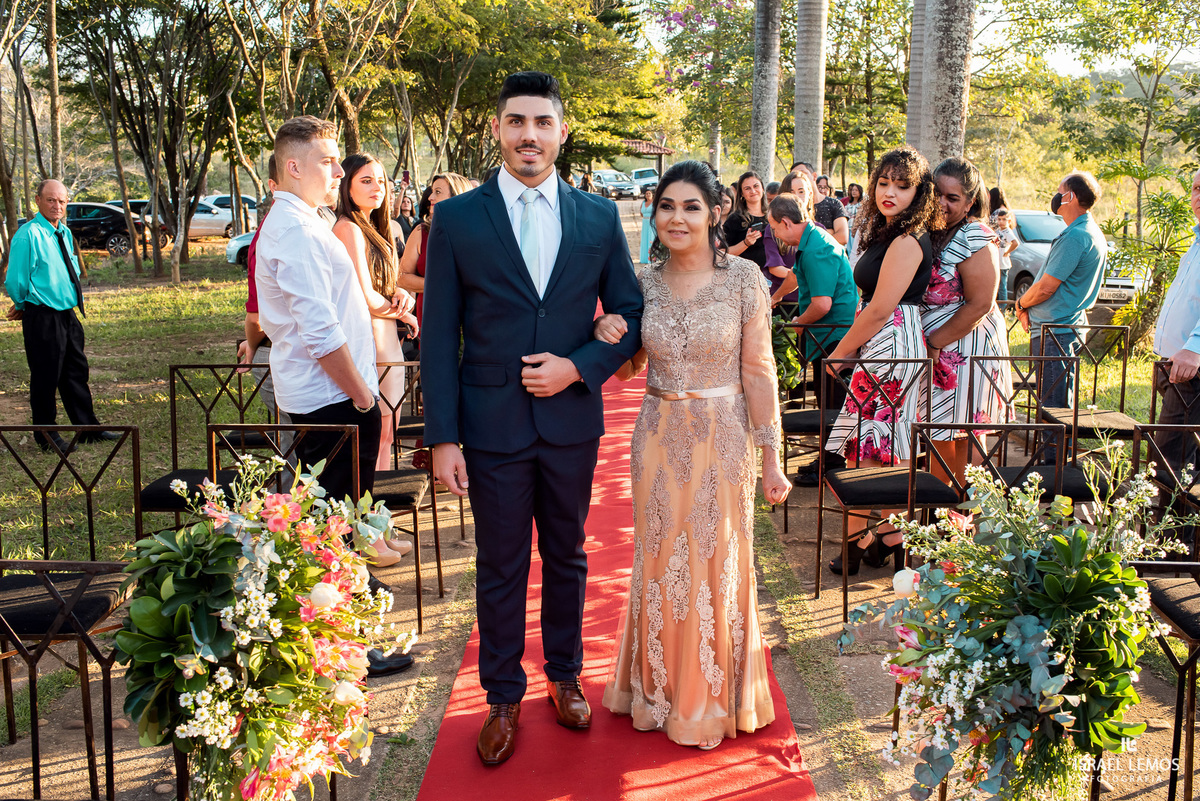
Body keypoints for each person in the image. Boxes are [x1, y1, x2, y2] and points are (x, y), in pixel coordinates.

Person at [421, 71, 643, 767]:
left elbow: (632, 314)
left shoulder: (598, 218)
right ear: (497, 130)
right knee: (501, 562)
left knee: (570, 554)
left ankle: (566, 675)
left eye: (542, 122)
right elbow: (438, 334)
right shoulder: (455, 219)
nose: (529, 135)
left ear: (561, 132)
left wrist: (579, 366)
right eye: (516, 122)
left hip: (572, 421)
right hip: (490, 426)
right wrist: (443, 437)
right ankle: (501, 694)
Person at [594, 159, 789, 751]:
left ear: (716, 213)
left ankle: (709, 696)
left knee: (716, 561)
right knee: (658, 558)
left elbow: (759, 371)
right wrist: (608, 333)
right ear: (653, 214)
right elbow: (631, 364)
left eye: (691, 207)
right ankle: (657, 690)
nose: (677, 218)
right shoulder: (640, 280)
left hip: (724, 435)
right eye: (667, 207)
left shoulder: (746, 281)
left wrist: (772, 456)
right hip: (657, 431)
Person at [822, 146, 941, 575]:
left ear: (918, 191)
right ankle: (888, 537)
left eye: (902, 185)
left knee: (872, 448)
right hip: (885, 337)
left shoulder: (909, 240)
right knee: (880, 443)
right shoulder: (889, 231)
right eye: (884, 182)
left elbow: (879, 307)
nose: (889, 192)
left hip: (891, 338)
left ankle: (861, 543)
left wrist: (839, 351)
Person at [254, 115, 381, 508]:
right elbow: (319, 332)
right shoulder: (297, 231)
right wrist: (363, 398)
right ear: (293, 167)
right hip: (334, 398)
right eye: (328, 161)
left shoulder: (304, 221)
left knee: (341, 513)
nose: (340, 172)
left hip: (333, 394)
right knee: (336, 521)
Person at [4, 178, 118, 453]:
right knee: (46, 375)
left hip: (67, 313)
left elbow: (71, 271)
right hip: (42, 315)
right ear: (38, 201)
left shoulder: (63, 232)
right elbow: (15, 279)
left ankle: (88, 427)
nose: (57, 206)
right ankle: (47, 435)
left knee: (76, 371)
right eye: (51, 200)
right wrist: (22, 303)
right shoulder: (28, 235)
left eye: (62, 201)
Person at [332, 153, 421, 505]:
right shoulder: (348, 227)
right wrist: (405, 314)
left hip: (386, 342)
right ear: (347, 185)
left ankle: (380, 524)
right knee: (377, 435)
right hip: (370, 342)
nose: (377, 188)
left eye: (380, 180)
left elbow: (383, 285)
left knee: (388, 434)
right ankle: (370, 527)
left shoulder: (373, 226)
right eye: (366, 180)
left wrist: (400, 294)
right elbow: (364, 295)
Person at [920, 157, 1012, 485]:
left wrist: (934, 342)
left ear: (970, 203)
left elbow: (980, 304)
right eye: (937, 195)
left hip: (966, 347)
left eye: (952, 198)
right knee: (940, 432)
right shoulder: (933, 231)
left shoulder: (975, 236)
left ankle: (966, 515)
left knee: (966, 433)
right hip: (941, 347)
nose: (942, 203)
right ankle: (945, 512)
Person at [767, 191, 857, 485]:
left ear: (785, 222)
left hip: (833, 337)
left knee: (833, 405)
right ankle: (827, 459)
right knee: (826, 400)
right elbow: (795, 275)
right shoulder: (810, 240)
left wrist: (797, 323)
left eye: (774, 228)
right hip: (825, 337)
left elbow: (822, 304)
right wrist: (775, 299)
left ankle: (832, 467)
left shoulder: (817, 247)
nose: (775, 234)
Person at [1014, 171, 1107, 412]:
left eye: (1059, 192)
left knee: (1053, 410)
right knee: (1056, 405)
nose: (1055, 197)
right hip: (1063, 328)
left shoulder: (1076, 236)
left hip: (1056, 332)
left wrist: (1021, 304)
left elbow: (1046, 287)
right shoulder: (1086, 231)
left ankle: (1055, 452)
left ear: (1071, 197)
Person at [1150, 167, 1200, 474]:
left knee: (1172, 464)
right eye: (1195, 189)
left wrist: (1195, 347)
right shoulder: (1195, 243)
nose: (1199, 197)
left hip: (1192, 371)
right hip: (1176, 366)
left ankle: (1170, 524)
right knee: (1181, 461)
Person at [396, 173, 474, 337]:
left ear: (457, 196)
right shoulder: (421, 232)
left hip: (472, 319)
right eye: (432, 191)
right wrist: (441, 285)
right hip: (432, 318)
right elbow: (402, 277)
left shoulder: (477, 233)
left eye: (438, 192)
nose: (430, 197)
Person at [723, 171, 789, 301]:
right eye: (747, 188)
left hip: (775, 281)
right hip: (744, 283)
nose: (753, 191)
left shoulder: (775, 216)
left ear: (763, 188)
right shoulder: (734, 219)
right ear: (742, 194)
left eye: (756, 186)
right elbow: (722, 253)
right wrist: (745, 243)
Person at [814, 174, 850, 246]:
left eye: (826, 188)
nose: (822, 190)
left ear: (831, 190)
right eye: (819, 187)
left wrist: (818, 242)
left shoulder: (835, 204)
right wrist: (830, 232)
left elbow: (843, 237)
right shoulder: (809, 205)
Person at [993, 208, 1018, 302]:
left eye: (1004, 219)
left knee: (1002, 285)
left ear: (1009, 221)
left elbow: (1015, 243)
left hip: (1003, 263)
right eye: (999, 219)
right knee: (995, 284)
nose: (1001, 222)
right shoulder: (998, 231)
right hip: (996, 262)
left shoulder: (1008, 232)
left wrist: (1007, 252)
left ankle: (1003, 305)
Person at [638, 186, 655, 264]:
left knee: (651, 238)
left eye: (649, 193)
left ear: (652, 194)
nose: (648, 195)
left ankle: (651, 258)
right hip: (645, 222)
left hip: (651, 222)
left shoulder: (654, 203)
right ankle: (644, 258)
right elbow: (641, 213)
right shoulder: (643, 203)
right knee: (644, 238)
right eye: (646, 194)